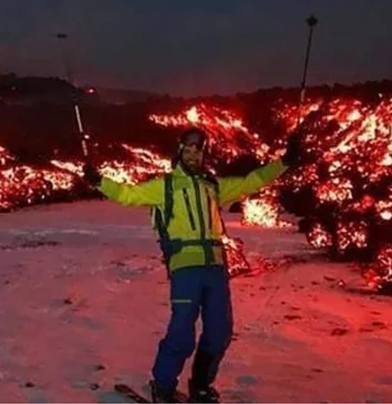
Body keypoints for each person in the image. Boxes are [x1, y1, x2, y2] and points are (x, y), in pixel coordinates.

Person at [83, 128, 302, 402]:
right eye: (188, 150)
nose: (193, 155)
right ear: (179, 152)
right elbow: (127, 194)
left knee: (220, 332)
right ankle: (162, 386)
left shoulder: (212, 185)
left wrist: (285, 162)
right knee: (182, 333)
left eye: (198, 151)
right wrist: (98, 181)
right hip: (185, 269)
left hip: (215, 269)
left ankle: (200, 386)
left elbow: (251, 181)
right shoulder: (164, 187)